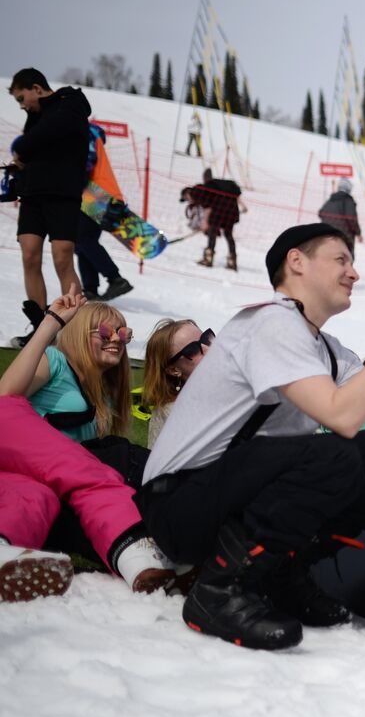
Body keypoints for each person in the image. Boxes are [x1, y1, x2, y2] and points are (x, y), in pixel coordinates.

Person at [138, 224, 365, 651]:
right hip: (179, 505)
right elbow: (343, 416)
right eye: (341, 260)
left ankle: (284, 571)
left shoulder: (326, 349)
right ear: (297, 262)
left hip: (228, 495)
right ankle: (218, 589)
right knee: (334, 455)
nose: (353, 273)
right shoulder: (269, 322)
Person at [0, 289, 176, 594]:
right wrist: (52, 323)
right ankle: (145, 545)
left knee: (38, 498)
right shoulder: (55, 361)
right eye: (106, 331)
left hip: (46, 487)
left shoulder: (105, 393)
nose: (116, 339)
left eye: (123, 333)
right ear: (80, 333)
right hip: (24, 458)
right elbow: (6, 399)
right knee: (120, 458)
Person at [8, 69, 87, 345]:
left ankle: (76, 329)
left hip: (63, 194)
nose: (22, 105)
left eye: (22, 98)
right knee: (29, 255)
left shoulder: (71, 103)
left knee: (62, 258)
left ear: (36, 88)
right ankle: (40, 326)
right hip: (32, 195)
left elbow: (49, 133)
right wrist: (18, 171)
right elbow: (34, 148)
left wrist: (23, 149)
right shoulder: (35, 117)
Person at [75, 121, 133, 302]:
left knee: (83, 239)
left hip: (95, 193)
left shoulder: (85, 132)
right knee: (82, 242)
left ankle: (115, 278)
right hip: (93, 193)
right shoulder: (88, 132)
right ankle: (91, 288)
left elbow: (85, 164)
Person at [142, 319, 214, 447]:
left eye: (206, 338)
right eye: (192, 349)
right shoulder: (173, 415)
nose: (208, 348)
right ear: (173, 370)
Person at [193, 168, 247, 271]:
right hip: (231, 213)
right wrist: (244, 207)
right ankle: (232, 260)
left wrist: (205, 222)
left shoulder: (210, 186)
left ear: (205, 178)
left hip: (218, 213)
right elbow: (237, 197)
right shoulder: (227, 185)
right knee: (228, 235)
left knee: (212, 234)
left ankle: (208, 259)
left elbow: (208, 206)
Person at [317, 178, 363, 255]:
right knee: (345, 259)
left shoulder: (331, 200)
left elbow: (321, 213)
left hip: (327, 235)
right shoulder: (348, 200)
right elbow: (351, 219)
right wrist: (358, 233)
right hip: (343, 237)